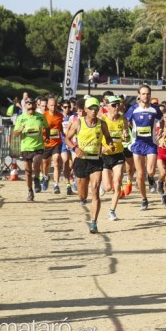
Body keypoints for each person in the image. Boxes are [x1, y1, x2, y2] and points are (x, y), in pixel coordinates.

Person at [65, 97, 115, 233]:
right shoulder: (78, 123)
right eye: (91, 108)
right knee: (82, 195)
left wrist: (110, 143)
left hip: (96, 161)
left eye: (96, 108)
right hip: (81, 161)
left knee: (95, 190)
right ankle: (77, 186)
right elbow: (67, 139)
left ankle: (94, 222)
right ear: (85, 110)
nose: (94, 111)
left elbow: (107, 136)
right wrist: (75, 148)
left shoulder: (102, 124)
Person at [125, 85, 160, 211]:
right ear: (139, 95)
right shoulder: (133, 109)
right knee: (140, 174)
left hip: (151, 144)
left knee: (150, 171)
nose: (146, 96)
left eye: (148, 94)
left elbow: (165, 121)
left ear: (150, 95)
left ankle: (151, 179)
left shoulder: (155, 109)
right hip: (137, 144)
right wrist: (125, 131)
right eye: (143, 94)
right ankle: (144, 199)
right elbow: (125, 121)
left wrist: (162, 131)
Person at [13, 99, 50, 201]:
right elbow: (15, 134)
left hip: (38, 146)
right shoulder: (21, 118)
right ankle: (30, 190)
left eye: (33, 107)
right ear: (25, 107)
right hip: (26, 147)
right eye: (29, 107)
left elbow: (47, 127)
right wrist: (19, 130)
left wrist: (47, 136)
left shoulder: (40, 117)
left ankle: (37, 178)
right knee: (28, 171)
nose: (31, 109)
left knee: (36, 164)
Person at [101, 95, 129, 221]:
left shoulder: (123, 119)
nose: (116, 107)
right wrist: (103, 148)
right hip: (105, 155)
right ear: (107, 107)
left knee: (117, 184)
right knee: (107, 187)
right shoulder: (102, 119)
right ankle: (103, 185)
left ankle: (112, 211)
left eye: (118, 104)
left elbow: (126, 136)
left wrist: (126, 136)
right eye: (113, 105)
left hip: (118, 155)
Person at [42, 97, 65, 194]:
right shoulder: (43, 116)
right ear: (47, 106)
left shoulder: (60, 116)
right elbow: (40, 128)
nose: (53, 107)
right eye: (51, 105)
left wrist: (65, 136)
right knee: (45, 164)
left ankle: (56, 184)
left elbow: (61, 129)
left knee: (56, 161)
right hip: (46, 143)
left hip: (57, 142)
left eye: (55, 105)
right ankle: (46, 177)